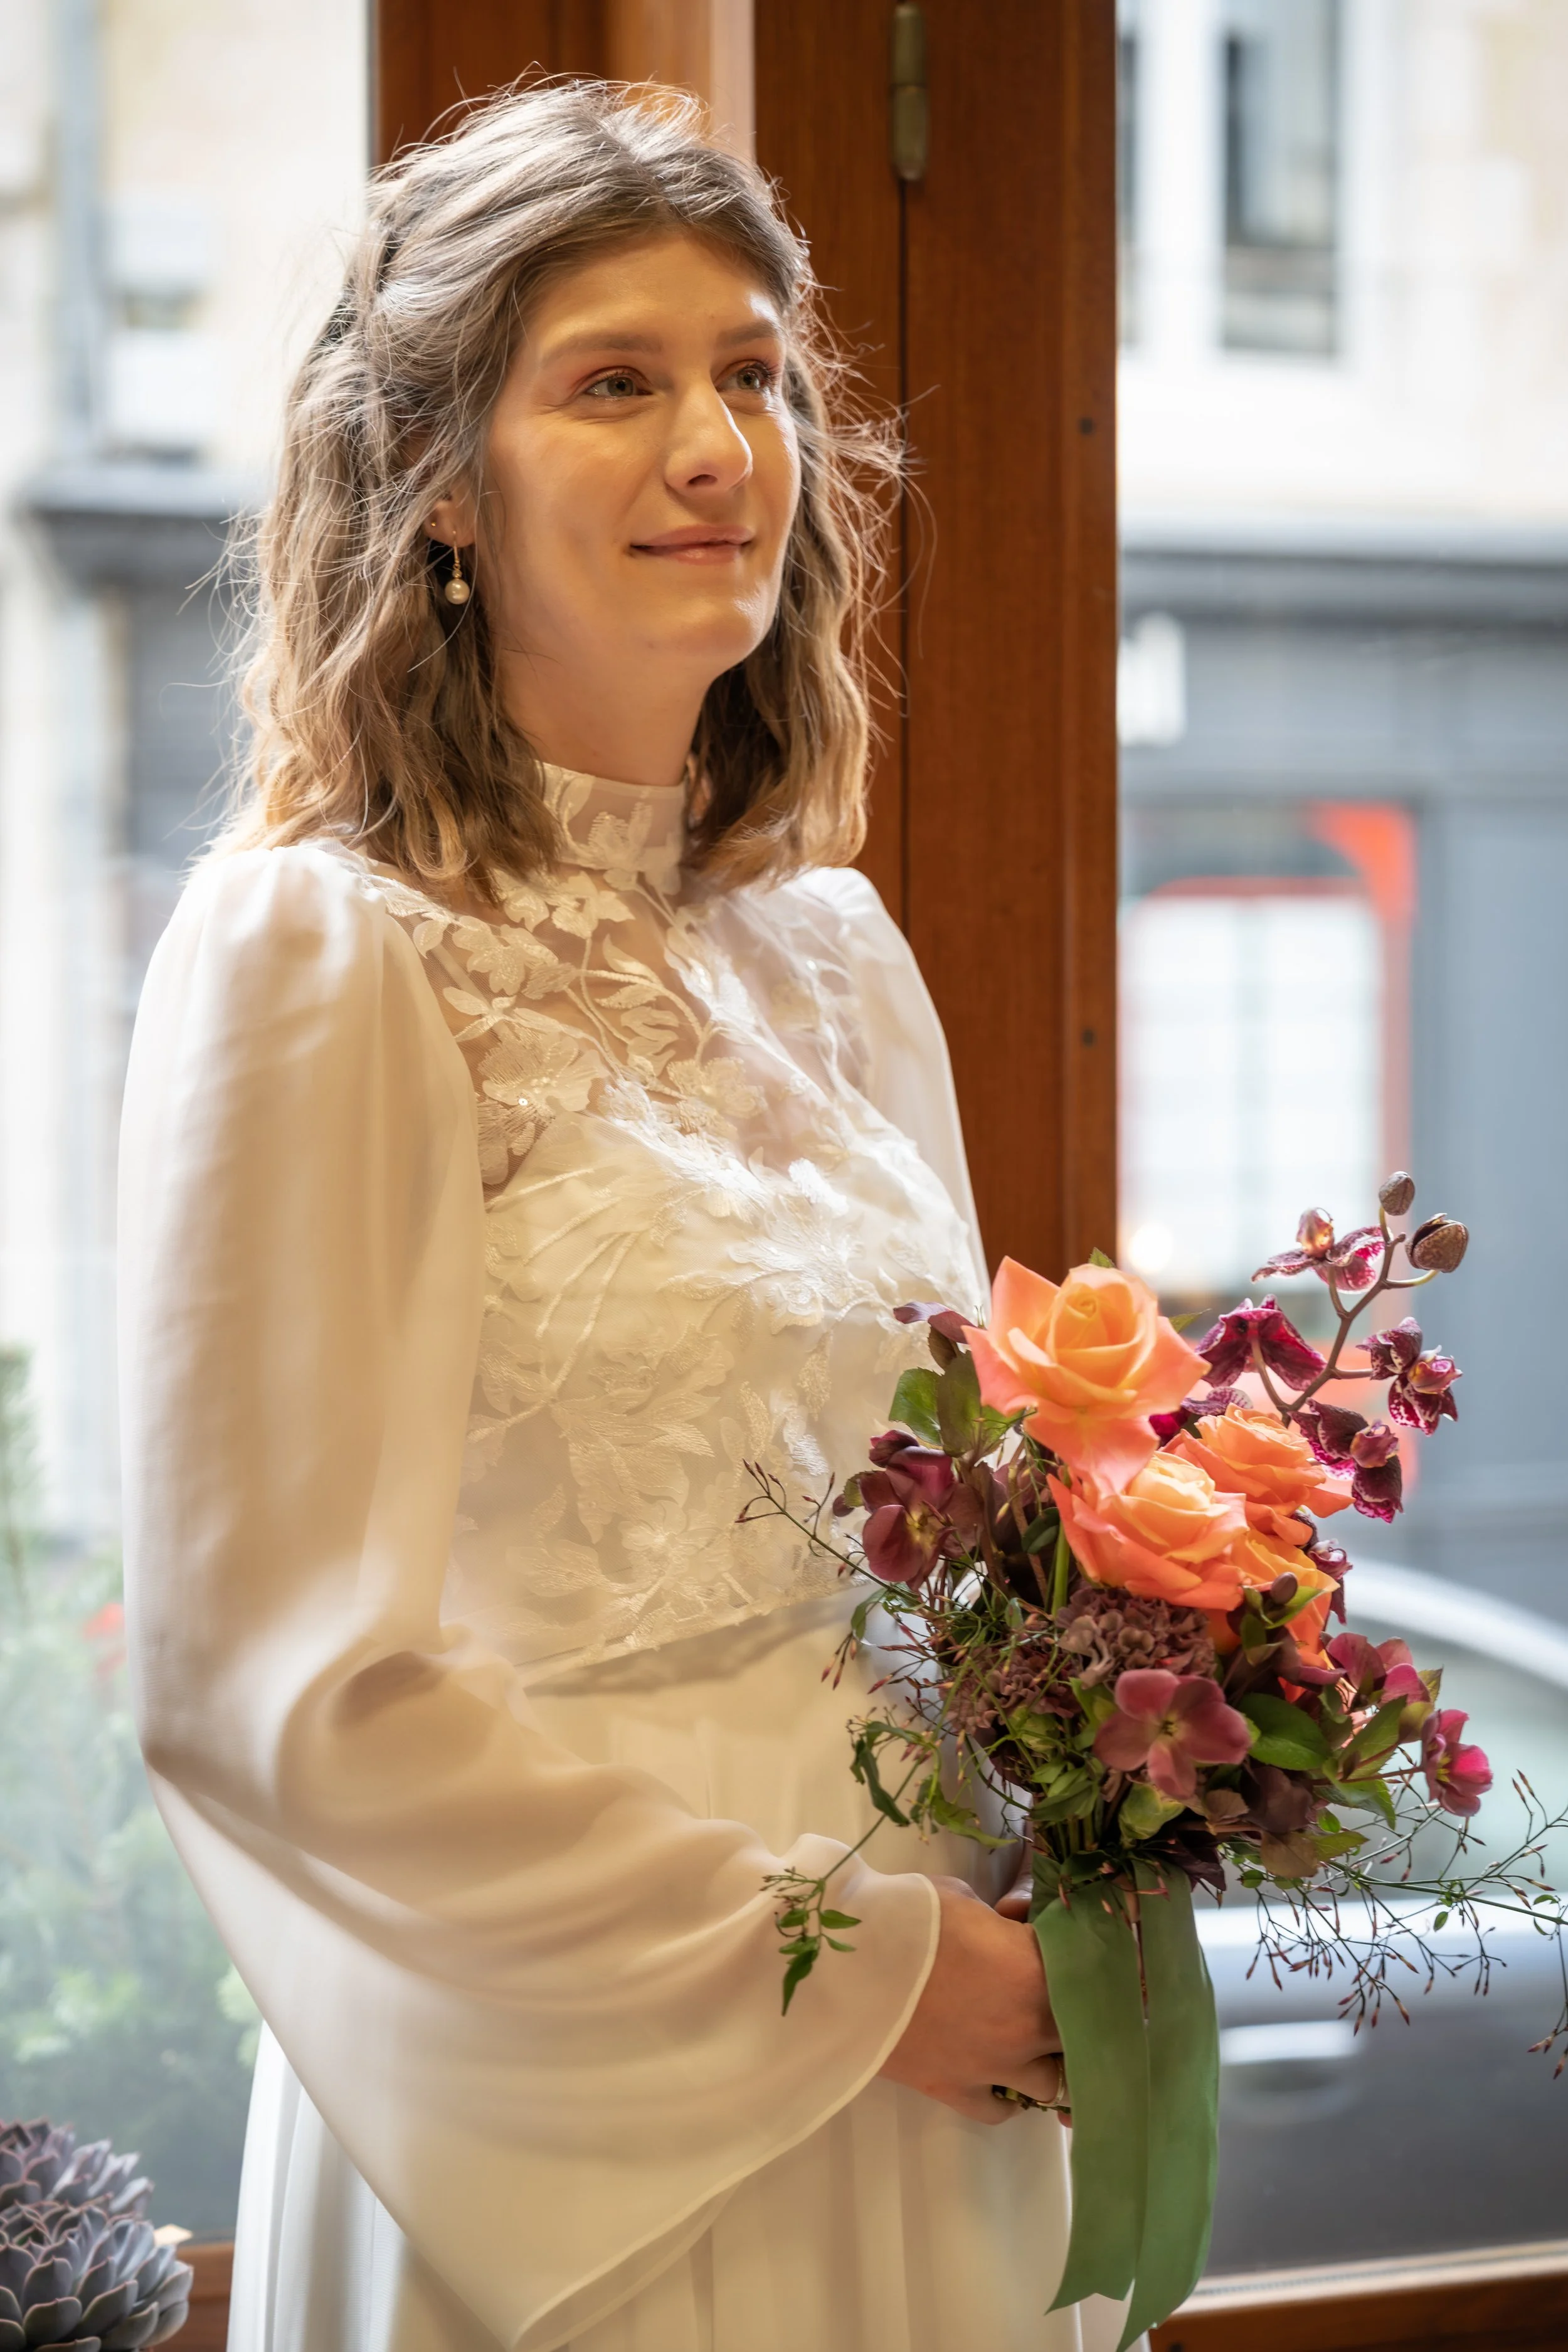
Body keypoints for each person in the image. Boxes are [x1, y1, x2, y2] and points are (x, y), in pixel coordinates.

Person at [120, 82, 1134, 2352]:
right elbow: (272, 1689)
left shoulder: (834, 953)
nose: (719, 445)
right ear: (443, 490)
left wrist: (1098, 1828)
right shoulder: (325, 948)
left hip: (960, 2070)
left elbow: (958, 1545)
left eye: (756, 375)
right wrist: (858, 1977)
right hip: (586, 2106)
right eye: (616, 381)